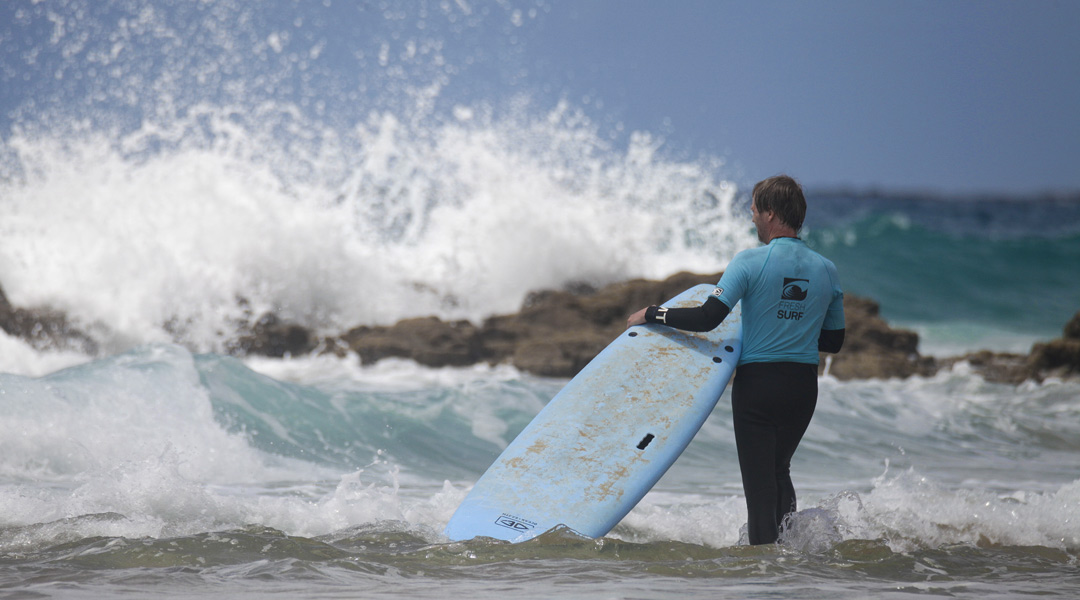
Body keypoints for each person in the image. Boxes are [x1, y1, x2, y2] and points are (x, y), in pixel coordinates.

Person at [626, 174, 845, 545]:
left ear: (771, 214)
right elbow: (834, 340)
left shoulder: (749, 262)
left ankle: (763, 575)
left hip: (759, 387)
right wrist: (793, 328)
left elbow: (707, 318)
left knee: (760, 489)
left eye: (756, 209)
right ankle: (789, 558)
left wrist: (653, 313)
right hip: (803, 387)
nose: (752, 216)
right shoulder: (826, 269)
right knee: (779, 470)